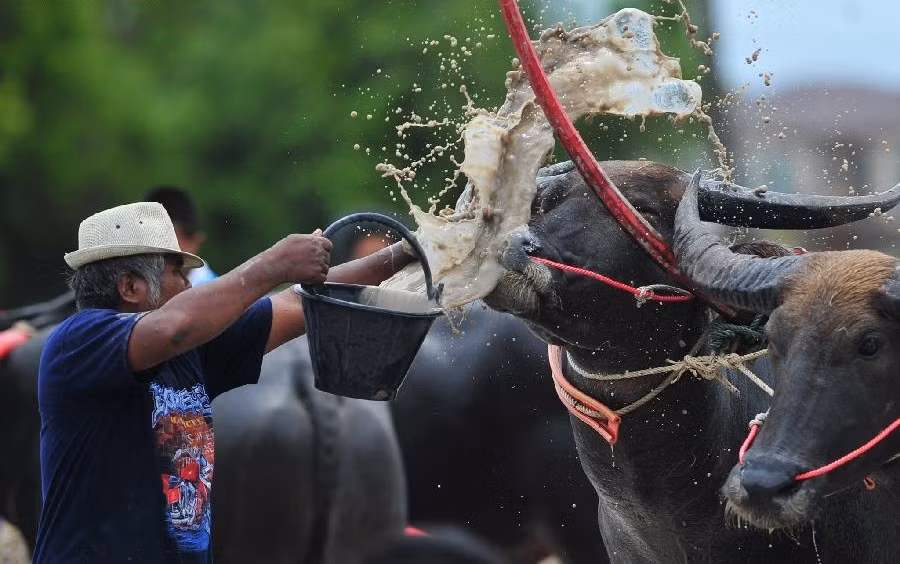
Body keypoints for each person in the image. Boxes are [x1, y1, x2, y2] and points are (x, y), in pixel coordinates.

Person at [34, 201, 416, 563]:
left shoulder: (191, 350)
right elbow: (174, 327)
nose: (188, 285)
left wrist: (408, 252)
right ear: (130, 287)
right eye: (177, 274)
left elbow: (300, 303)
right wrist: (272, 265)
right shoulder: (79, 341)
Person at [143, 185, 217, 285]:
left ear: (196, 240)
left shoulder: (219, 297)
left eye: (169, 245)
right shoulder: (137, 289)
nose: (160, 258)